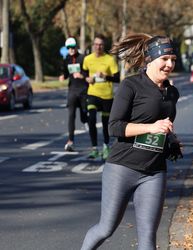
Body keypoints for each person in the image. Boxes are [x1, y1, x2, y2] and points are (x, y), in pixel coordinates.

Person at [80, 33, 182, 250]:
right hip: (122, 167)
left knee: (148, 238)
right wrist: (151, 127)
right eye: (164, 59)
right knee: (106, 228)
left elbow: (164, 125)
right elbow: (114, 126)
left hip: (154, 171)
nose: (169, 64)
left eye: (173, 59)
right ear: (150, 59)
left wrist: (171, 139)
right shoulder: (131, 85)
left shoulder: (172, 92)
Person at [83, 34, 120, 160]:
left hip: (107, 96)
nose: (98, 47)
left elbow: (117, 78)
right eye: (96, 44)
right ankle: (94, 148)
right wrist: (86, 78)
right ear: (93, 45)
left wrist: (105, 76)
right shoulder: (87, 59)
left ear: (104, 46)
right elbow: (84, 73)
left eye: (101, 45)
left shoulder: (110, 59)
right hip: (93, 93)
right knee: (91, 119)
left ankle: (106, 146)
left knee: (105, 124)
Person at [59, 37, 88, 152]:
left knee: (83, 116)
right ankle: (70, 141)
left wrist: (82, 76)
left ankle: (85, 118)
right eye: (68, 48)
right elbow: (65, 73)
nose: (71, 49)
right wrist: (62, 76)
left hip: (83, 90)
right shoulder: (66, 59)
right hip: (72, 90)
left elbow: (88, 74)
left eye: (73, 47)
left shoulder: (83, 58)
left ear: (76, 47)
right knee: (71, 115)